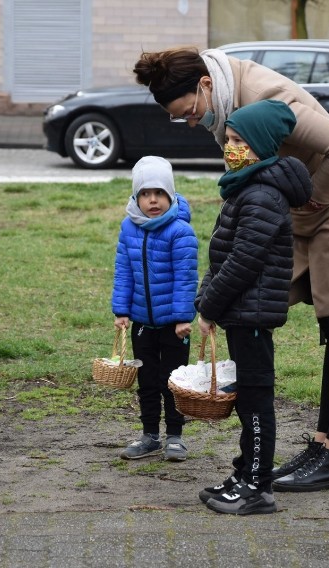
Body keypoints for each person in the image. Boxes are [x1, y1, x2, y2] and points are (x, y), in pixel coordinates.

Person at [133, 47, 329, 492]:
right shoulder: (226, 103)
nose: (190, 122)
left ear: (205, 85)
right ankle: (322, 445)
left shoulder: (264, 95)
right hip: (306, 212)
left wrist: (312, 200)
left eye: (188, 111)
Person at [194, 99, 312, 515]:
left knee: (256, 399)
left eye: (239, 140)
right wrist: (205, 300)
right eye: (227, 139)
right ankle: (244, 472)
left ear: (260, 144)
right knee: (248, 396)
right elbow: (221, 255)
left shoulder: (261, 194)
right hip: (242, 312)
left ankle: (258, 487)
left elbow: (243, 261)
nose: (230, 147)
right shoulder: (247, 187)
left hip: (253, 314)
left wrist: (208, 308)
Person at [112, 156, 199, 461]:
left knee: (172, 381)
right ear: (136, 197)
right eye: (145, 194)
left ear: (170, 195)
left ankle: (175, 436)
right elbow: (124, 270)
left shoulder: (180, 231)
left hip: (174, 326)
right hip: (141, 323)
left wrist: (181, 317)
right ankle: (150, 435)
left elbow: (186, 277)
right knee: (147, 381)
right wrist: (121, 310)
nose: (153, 200)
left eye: (159, 193)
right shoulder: (129, 228)